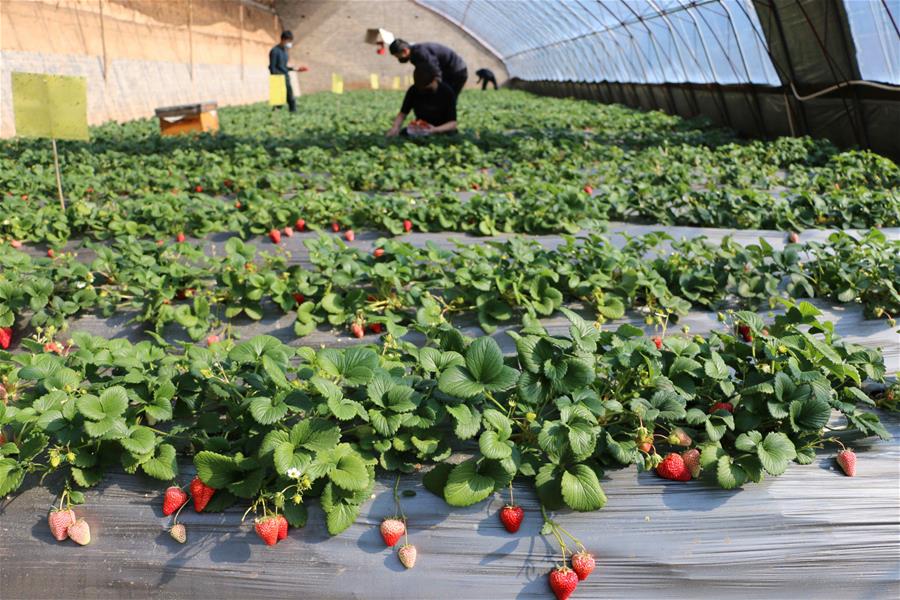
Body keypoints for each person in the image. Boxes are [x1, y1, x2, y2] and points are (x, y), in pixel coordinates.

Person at [386, 65, 458, 138]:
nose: (423, 91)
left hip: (442, 129)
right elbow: (402, 114)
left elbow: (452, 123)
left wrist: (434, 130)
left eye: (426, 87)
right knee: (404, 134)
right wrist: (395, 127)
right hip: (421, 128)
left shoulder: (447, 92)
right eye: (420, 88)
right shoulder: (413, 90)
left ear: (434, 80)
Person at [389, 39, 468, 96]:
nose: (398, 59)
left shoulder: (420, 52)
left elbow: (434, 68)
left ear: (405, 51)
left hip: (457, 72)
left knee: (447, 98)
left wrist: (438, 87)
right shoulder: (414, 54)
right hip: (449, 71)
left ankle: (447, 118)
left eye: (398, 56)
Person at [269, 31, 307, 112]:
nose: (290, 43)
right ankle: (274, 119)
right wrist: (277, 81)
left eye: (290, 41)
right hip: (278, 79)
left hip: (286, 78)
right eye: (289, 41)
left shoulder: (285, 52)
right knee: (279, 102)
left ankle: (292, 117)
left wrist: (296, 69)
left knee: (291, 100)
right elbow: (272, 67)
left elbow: (283, 67)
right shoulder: (275, 51)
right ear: (283, 40)